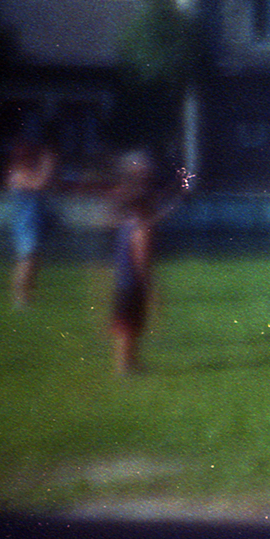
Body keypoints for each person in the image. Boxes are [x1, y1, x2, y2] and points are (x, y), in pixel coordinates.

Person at [106, 151, 170, 375]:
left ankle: (131, 363)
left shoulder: (129, 222)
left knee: (129, 325)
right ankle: (123, 367)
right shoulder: (142, 230)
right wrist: (149, 287)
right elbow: (141, 261)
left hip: (123, 282)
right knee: (129, 326)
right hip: (133, 284)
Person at [6, 134, 57, 309]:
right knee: (26, 260)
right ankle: (20, 299)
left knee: (32, 260)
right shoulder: (17, 174)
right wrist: (48, 164)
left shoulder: (25, 172)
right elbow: (40, 184)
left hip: (34, 221)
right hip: (25, 223)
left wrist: (46, 165)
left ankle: (26, 296)